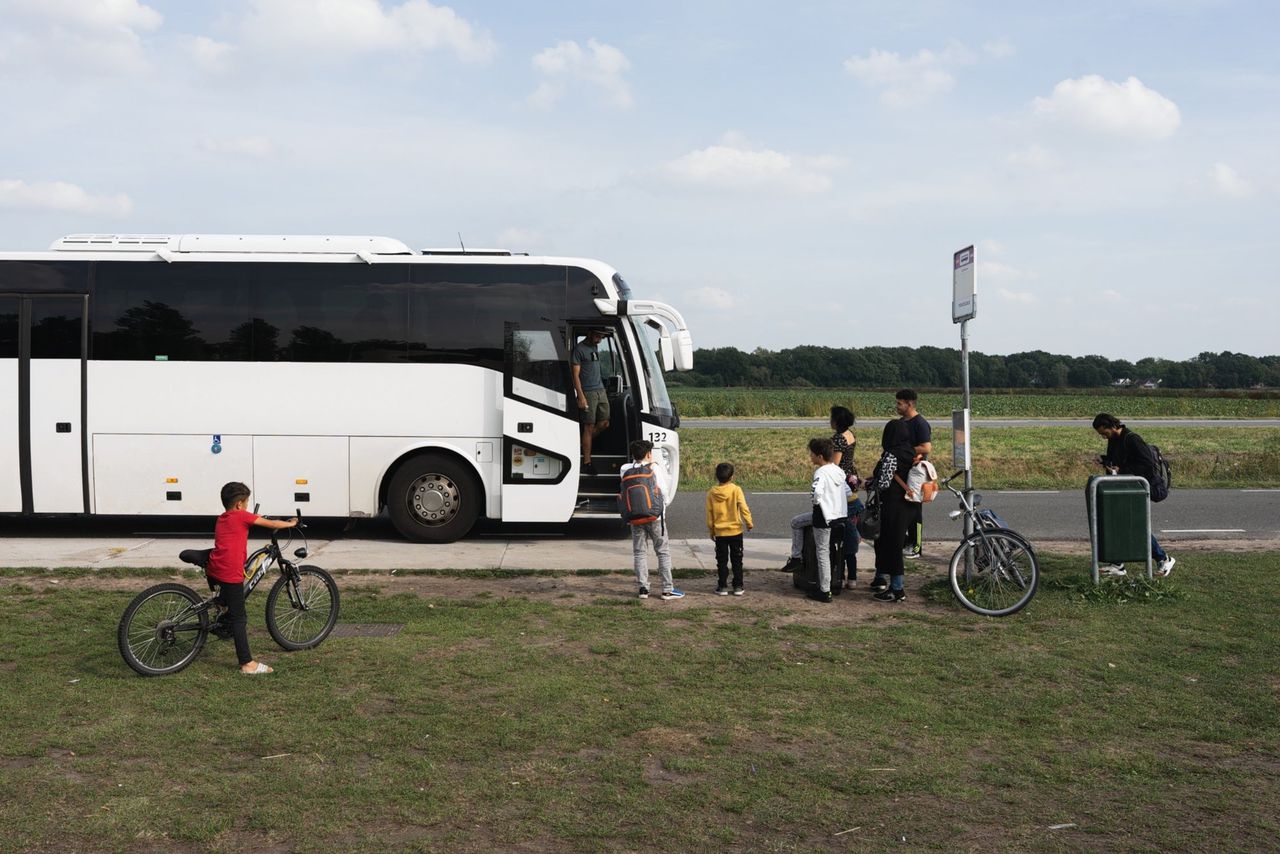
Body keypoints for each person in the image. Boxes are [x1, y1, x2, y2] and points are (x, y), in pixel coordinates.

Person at [206, 482, 298, 674]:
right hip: (230, 572)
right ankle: (247, 663)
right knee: (240, 618)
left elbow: (251, 521)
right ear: (239, 504)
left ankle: (221, 611)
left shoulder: (223, 517)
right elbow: (271, 524)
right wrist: (290, 523)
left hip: (215, 567)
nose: (248, 506)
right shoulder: (242, 515)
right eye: (247, 502)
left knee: (228, 602)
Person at [1092, 413, 1176, 577]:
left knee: (1135, 524)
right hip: (1124, 487)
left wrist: (1121, 471)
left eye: (1105, 433)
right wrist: (1104, 460)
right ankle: (1118, 563)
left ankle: (1163, 558)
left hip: (1137, 488)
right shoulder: (1114, 439)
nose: (1104, 437)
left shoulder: (1132, 439)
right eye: (1101, 435)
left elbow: (1146, 464)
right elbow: (1117, 460)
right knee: (1117, 523)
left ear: (1113, 426)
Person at [778, 438, 846, 603]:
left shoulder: (820, 472)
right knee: (797, 522)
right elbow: (848, 491)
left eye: (812, 454)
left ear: (820, 456)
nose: (810, 456)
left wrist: (818, 502)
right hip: (839, 516)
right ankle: (798, 559)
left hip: (823, 517)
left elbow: (816, 493)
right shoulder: (838, 471)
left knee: (822, 553)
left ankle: (824, 590)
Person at [621, 439, 683, 600]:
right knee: (662, 552)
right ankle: (667, 589)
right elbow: (663, 492)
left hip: (635, 517)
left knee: (639, 552)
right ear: (648, 454)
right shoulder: (654, 467)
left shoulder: (624, 469)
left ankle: (643, 588)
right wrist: (663, 507)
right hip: (655, 517)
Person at [869, 419, 915, 602]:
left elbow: (884, 483)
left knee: (891, 546)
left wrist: (870, 484)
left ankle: (897, 589)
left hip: (893, 504)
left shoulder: (891, 455)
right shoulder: (910, 451)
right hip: (909, 505)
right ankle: (885, 580)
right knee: (893, 543)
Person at [706, 462, 754, 595]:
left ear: (716, 477)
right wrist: (749, 522)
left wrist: (712, 530)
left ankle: (722, 586)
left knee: (721, 560)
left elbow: (709, 513)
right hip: (736, 531)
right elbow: (743, 507)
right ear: (731, 477)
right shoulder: (736, 490)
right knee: (737, 559)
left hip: (720, 532)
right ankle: (738, 586)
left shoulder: (711, 493)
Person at [895, 389, 932, 560]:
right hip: (902, 473)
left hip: (916, 474)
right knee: (903, 510)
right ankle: (905, 542)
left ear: (909, 404)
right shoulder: (901, 422)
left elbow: (926, 447)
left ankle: (916, 546)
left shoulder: (920, 423)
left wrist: (905, 450)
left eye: (899, 403)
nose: (897, 406)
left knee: (915, 510)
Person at [830, 405, 861, 588]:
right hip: (852, 478)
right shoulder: (851, 435)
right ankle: (853, 577)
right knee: (851, 522)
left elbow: (835, 464)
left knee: (840, 529)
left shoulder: (838, 439)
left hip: (841, 482)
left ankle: (840, 575)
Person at [571, 329, 610, 476]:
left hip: (601, 390)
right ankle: (587, 463)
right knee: (589, 426)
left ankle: (581, 444)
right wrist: (580, 396)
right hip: (588, 392)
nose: (599, 339)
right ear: (590, 333)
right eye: (598, 336)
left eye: (601, 337)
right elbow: (575, 375)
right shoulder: (579, 350)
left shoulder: (594, 346)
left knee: (605, 423)